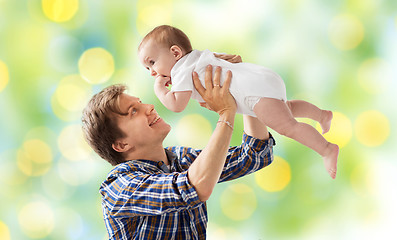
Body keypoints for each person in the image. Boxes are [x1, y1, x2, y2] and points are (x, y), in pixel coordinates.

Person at [81, 65, 275, 239]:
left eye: (141, 103)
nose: (149, 107)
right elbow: (194, 187)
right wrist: (226, 113)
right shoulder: (119, 186)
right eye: (133, 111)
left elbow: (253, 157)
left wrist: (242, 90)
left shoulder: (180, 159)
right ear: (121, 145)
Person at [138, 25, 339, 179]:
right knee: (288, 108)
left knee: (288, 127)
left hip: (253, 93)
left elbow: (176, 105)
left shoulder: (180, 70)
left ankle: (326, 149)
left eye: (152, 63)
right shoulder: (198, 57)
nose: (153, 73)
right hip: (260, 78)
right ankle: (322, 115)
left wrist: (160, 90)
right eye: (148, 70)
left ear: (175, 53)